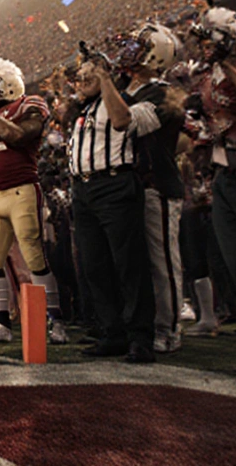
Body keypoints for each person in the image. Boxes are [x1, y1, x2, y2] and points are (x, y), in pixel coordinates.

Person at [0, 58, 68, 345]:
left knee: (34, 256)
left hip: (23, 190)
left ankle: (56, 322)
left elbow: (17, 135)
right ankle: (1, 324)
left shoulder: (28, 103)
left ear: (7, 84)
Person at [67, 59, 157, 363]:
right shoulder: (84, 110)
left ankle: (140, 337)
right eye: (80, 77)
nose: (82, 80)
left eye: (88, 75)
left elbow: (121, 121)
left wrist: (104, 78)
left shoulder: (121, 101)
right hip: (84, 190)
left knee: (129, 264)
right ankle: (112, 332)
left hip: (115, 184)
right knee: (94, 265)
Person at [192, 8, 236, 374]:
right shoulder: (206, 76)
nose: (205, 47)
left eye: (211, 39)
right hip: (224, 176)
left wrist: (231, 67)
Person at [113, 24, 187, 354]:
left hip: (157, 185)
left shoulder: (159, 91)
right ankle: (140, 323)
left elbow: (128, 121)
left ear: (155, 53)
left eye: (139, 45)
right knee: (136, 263)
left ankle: (169, 328)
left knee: (162, 262)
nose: (130, 49)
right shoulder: (130, 87)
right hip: (132, 190)